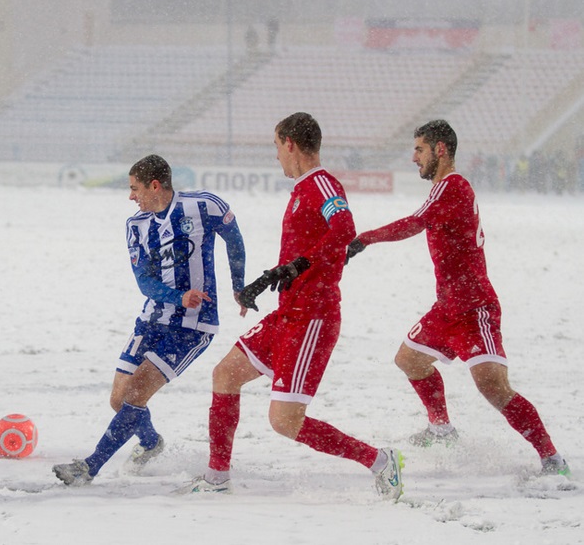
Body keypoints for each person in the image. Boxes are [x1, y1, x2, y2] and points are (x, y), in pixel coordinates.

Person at [180, 113, 404, 501]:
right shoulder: (302, 188)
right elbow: (313, 249)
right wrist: (267, 280)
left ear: (289, 144)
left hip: (312, 319)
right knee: (225, 375)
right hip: (287, 313)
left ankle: (381, 461)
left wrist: (301, 265)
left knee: (284, 421)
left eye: (275, 147)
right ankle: (217, 478)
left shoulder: (321, 184)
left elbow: (344, 229)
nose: (276, 157)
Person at [346, 119, 569, 477]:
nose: (413, 157)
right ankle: (441, 429)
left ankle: (552, 459)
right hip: (447, 307)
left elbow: (414, 222)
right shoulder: (446, 188)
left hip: (474, 307)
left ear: (440, 149)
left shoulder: (451, 185)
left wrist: (364, 239)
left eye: (419, 149)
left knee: (493, 388)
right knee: (409, 360)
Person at [53, 154, 247, 485]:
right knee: (119, 399)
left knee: (134, 395)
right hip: (152, 319)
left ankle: (89, 467)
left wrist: (239, 286)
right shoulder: (136, 225)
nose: (131, 196)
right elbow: (143, 282)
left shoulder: (203, 206)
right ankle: (150, 442)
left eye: (135, 189)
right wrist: (177, 297)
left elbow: (234, 239)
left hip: (193, 325)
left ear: (155, 186)